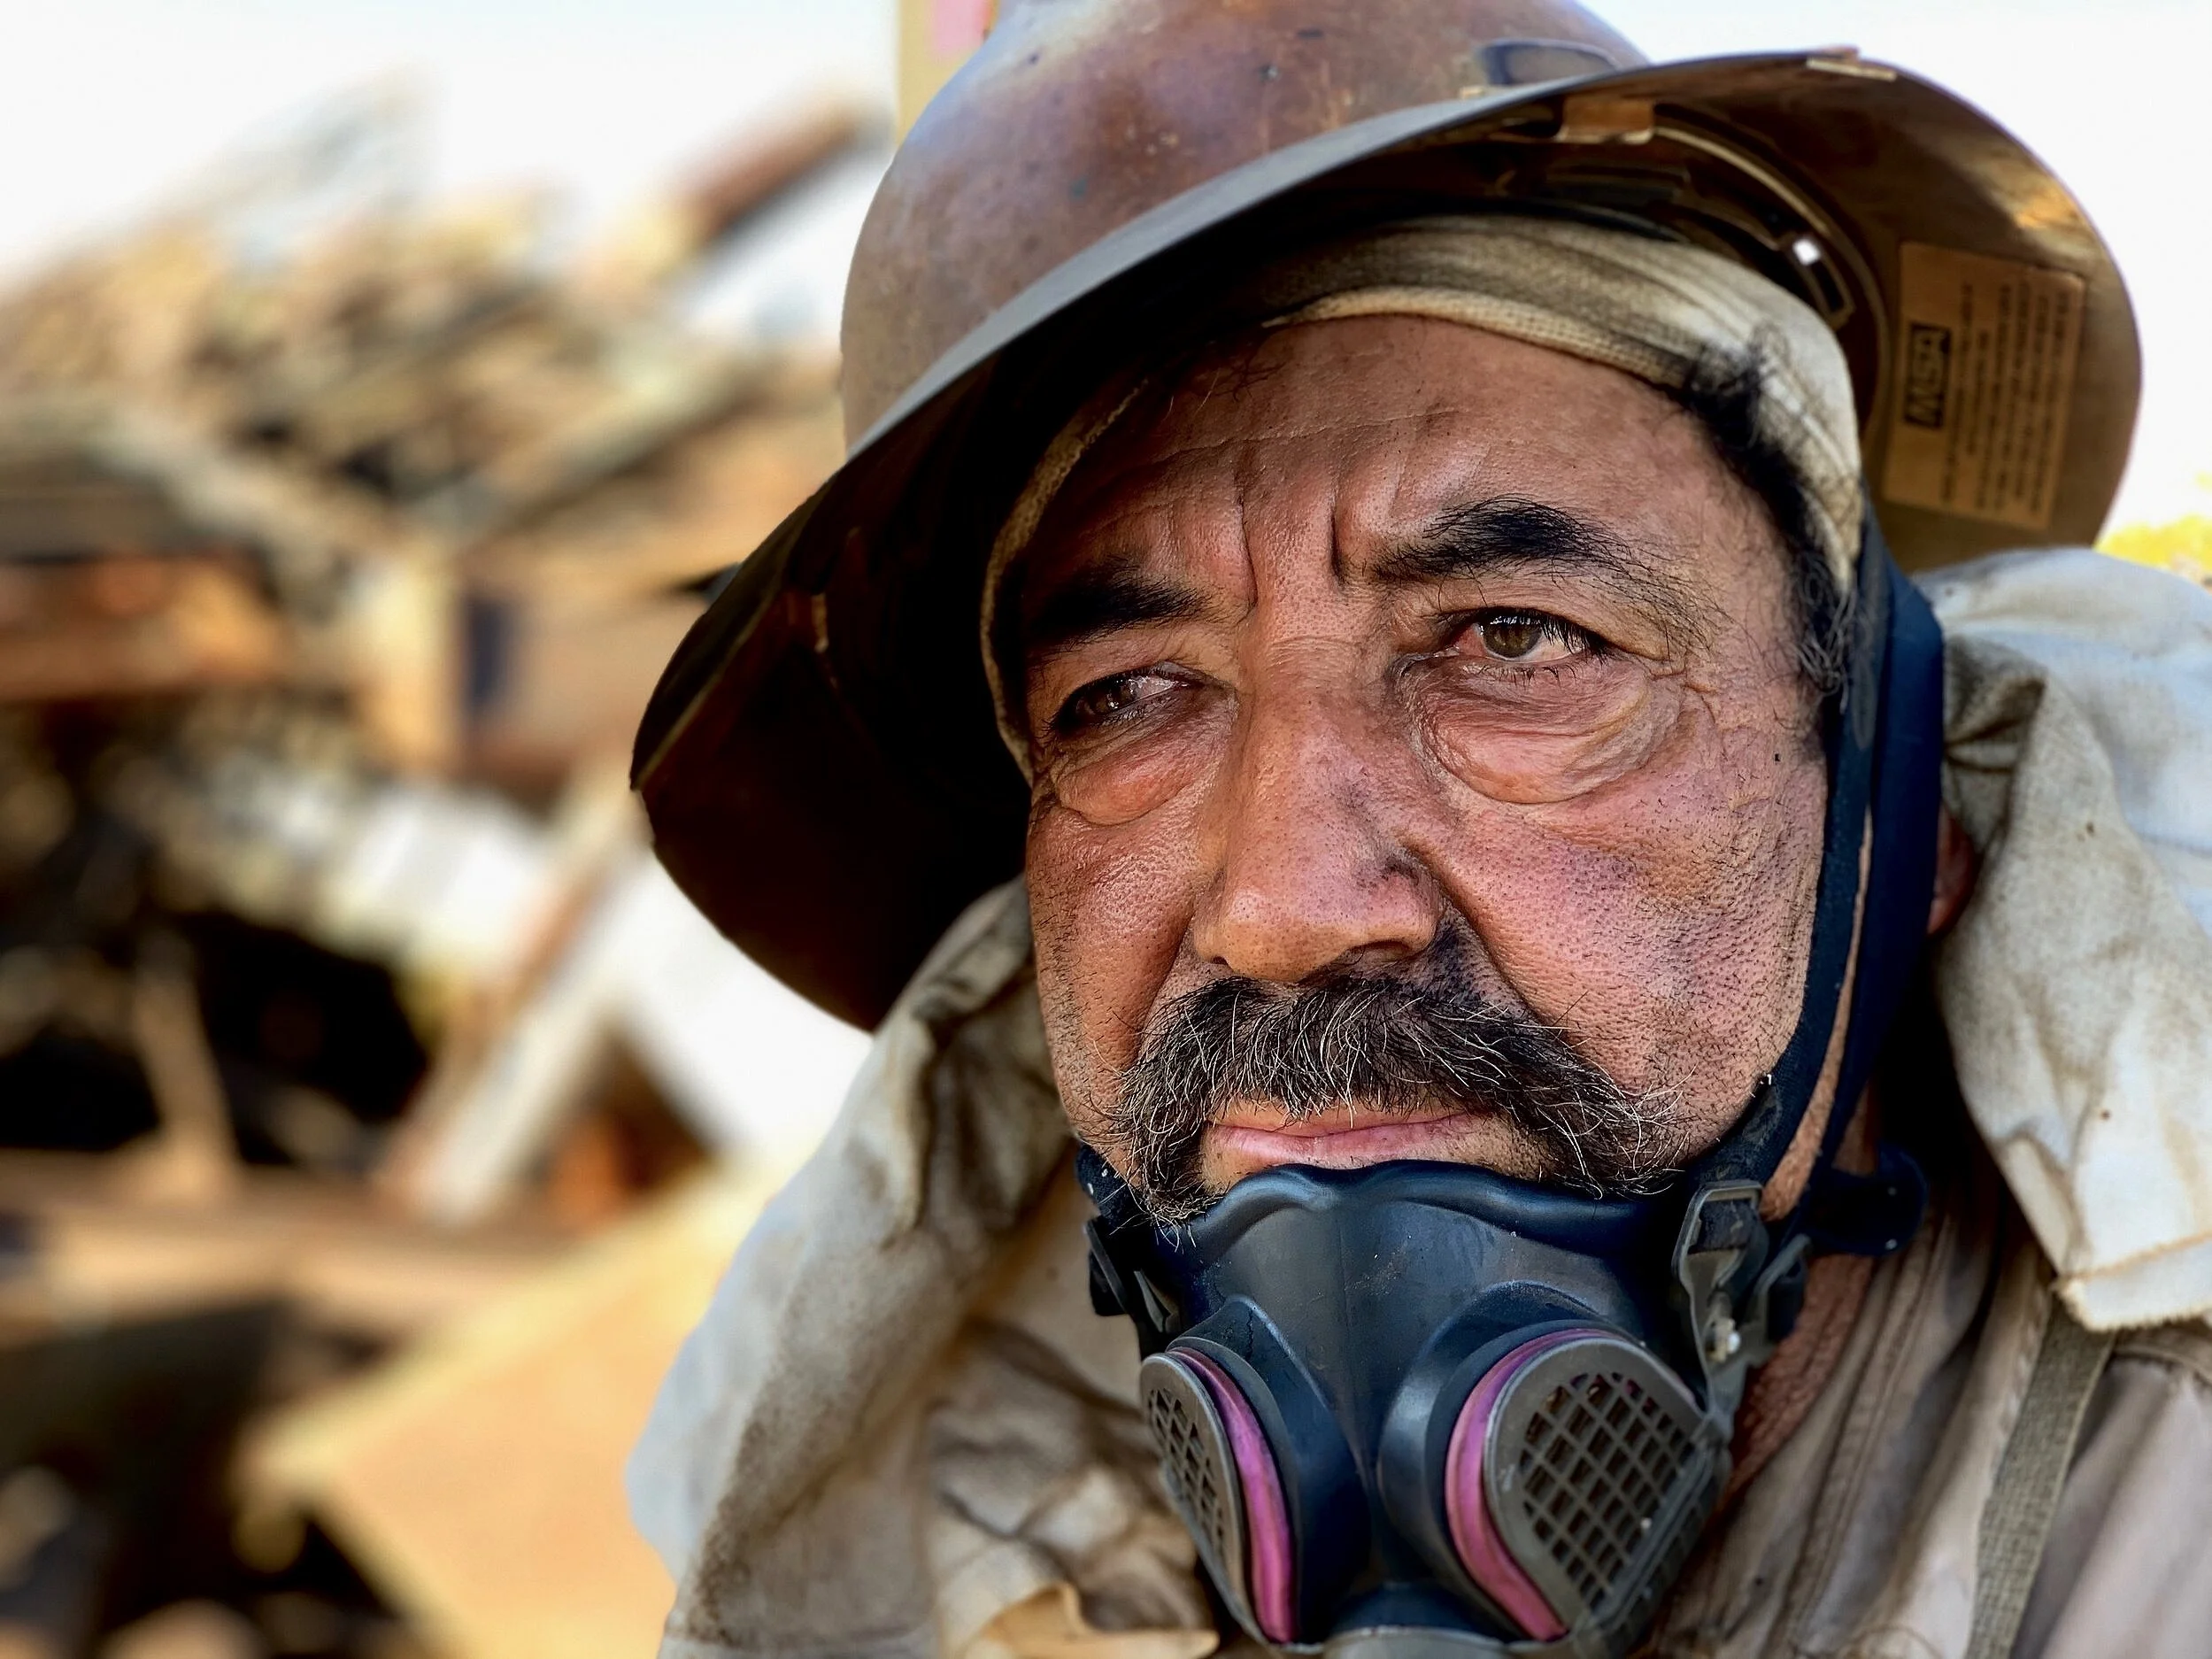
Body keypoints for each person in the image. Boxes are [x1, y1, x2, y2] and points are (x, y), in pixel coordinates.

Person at [624, 4, 2212, 1655]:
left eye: (1513, 641)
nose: (1286, 905)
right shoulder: (998, 1586)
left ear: (1898, 828)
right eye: (1128, 696)